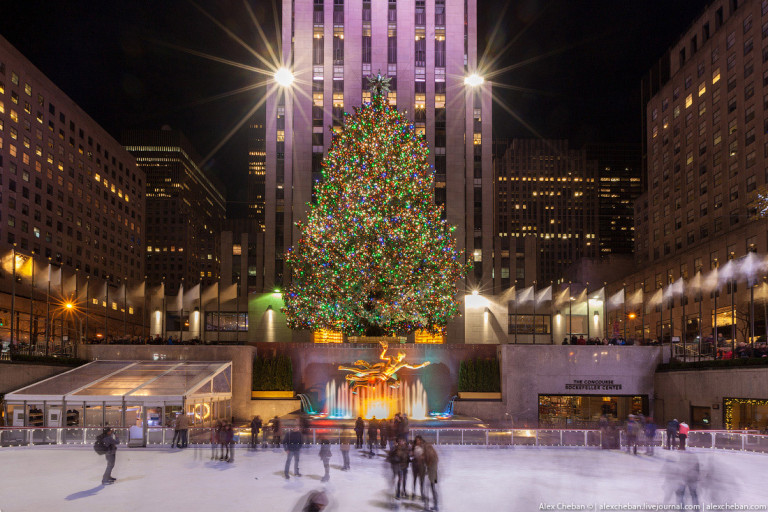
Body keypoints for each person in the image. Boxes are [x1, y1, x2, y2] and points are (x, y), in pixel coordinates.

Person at [424, 439, 439, 511]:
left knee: (427, 489)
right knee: (433, 489)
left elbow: (429, 465)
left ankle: (427, 507)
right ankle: (436, 505)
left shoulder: (430, 454)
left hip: (431, 475)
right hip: (435, 475)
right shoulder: (434, 454)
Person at [411, 436, 427, 503]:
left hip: (421, 465)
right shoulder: (413, 447)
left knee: (421, 481)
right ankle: (413, 493)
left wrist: (423, 457)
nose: (418, 441)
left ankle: (422, 494)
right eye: (417, 440)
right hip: (415, 465)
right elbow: (411, 455)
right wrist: (412, 454)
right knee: (414, 480)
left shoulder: (423, 447)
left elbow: (426, 455)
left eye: (419, 440)